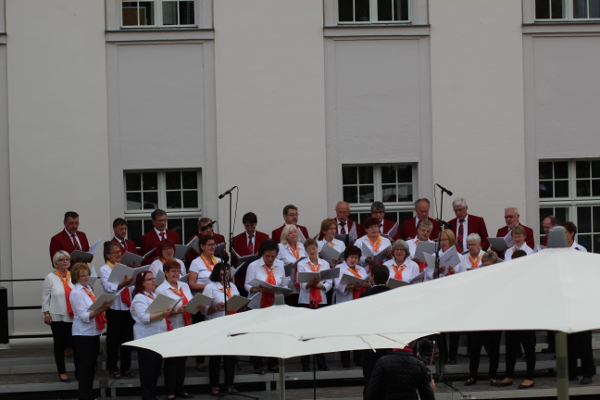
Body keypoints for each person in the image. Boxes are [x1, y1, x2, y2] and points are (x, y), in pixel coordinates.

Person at [155, 260, 198, 399]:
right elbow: (160, 311)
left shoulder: (184, 286)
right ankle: (170, 391)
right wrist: (177, 310)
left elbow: (190, 302)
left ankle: (181, 389)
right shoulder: (161, 289)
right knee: (171, 361)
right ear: (166, 273)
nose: (176, 274)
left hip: (185, 326)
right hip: (170, 327)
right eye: (173, 271)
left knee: (182, 360)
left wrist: (197, 306)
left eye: (178, 271)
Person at [70, 262, 113, 400]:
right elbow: (84, 316)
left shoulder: (87, 288)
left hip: (92, 332)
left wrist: (102, 305)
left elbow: (92, 308)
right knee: (85, 367)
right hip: (83, 333)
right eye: (82, 275)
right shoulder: (76, 292)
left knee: (91, 367)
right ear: (76, 277)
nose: (86, 277)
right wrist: (102, 309)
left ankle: (89, 394)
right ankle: (85, 395)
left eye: (87, 274)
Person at [245, 240, 288, 374]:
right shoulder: (253, 266)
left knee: (273, 334)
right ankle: (258, 364)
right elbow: (246, 285)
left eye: (273, 256)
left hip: (274, 305)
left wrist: (280, 289)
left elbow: (284, 284)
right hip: (257, 305)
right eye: (267, 256)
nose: (270, 259)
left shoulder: (279, 265)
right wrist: (256, 289)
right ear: (262, 254)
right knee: (257, 335)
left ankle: (273, 363)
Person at [130, 271, 172, 400]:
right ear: (142, 283)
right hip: (146, 338)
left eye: (153, 278)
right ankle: (148, 397)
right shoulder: (139, 298)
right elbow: (144, 318)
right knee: (148, 371)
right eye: (149, 279)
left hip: (158, 337)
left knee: (155, 369)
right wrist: (161, 314)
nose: (153, 281)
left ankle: (151, 395)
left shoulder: (154, 295)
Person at [498, 249, 536, 389]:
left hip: (526, 317)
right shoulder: (510, 276)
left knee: (529, 348)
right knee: (510, 348)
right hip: (511, 317)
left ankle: (530, 377)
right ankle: (509, 375)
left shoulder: (531, 276)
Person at [465, 250, 502, 386]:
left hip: (493, 317)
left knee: (493, 349)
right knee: (474, 347)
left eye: (489, 265)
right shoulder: (476, 276)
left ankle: (493, 375)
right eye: (484, 265)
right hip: (477, 317)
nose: (486, 268)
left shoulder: (500, 278)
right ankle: (472, 375)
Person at [426, 229, 464, 364]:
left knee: (454, 328)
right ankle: (443, 355)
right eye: (441, 240)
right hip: (439, 295)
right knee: (440, 328)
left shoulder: (460, 256)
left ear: (451, 240)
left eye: (445, 240)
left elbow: (465, 278)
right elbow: (428, 276)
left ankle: (452, 356)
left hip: (453, 295)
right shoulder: (434, 256)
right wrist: (438, 271)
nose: (443, 242)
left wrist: (454, 273)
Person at [99, 241, 135, 380]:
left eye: (119, 251)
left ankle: (126, 368)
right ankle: (112, 368)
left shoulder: (124, 267)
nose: (119, 254)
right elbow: (109, 287)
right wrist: (123, 284)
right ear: (108, 255)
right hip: (114, 308)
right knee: (113, 341)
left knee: (127, 339)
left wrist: (133, 279)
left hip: (126, 308)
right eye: (115, 252)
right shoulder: (105, 269)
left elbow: (131, 289)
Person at [203, 263, 241, 395]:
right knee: (216, 357)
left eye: (228, 271)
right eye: (223, 271)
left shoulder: (233, 286)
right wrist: (215, 307)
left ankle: (230, 384)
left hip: (231, 324)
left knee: (230, 357)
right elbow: (203, 309)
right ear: (217, 273)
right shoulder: (210, 287)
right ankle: (214, 385)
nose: (226, 273)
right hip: (216, 325)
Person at [188, 234, 223, 371]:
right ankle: (200, 359)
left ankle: (217, 356)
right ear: (202, 246)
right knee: (200, 330)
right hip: (201, 299)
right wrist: (210, 287)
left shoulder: (219, 261)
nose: (213, 247)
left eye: (214, 244)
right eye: (210, 244)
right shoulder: (196, 262)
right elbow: (191, 283)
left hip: (217, 299)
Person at [42, 251, 78, 383]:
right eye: (61, 259)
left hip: (73, 316)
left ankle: (78, 371)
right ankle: (62, 372)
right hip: (57, 316)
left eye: (67, 259)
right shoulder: (50, 277)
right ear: (56, 262)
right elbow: (45, 298)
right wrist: (46, 313)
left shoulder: (73, 276)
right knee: (59, 345)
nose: (65, 261)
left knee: (75, 344)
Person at [297, 239, 332, 371]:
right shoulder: (302, 264)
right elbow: (301, 284)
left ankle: (321, 362)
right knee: (305, 333)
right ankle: (305, 364)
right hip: (306, 300)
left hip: (321, 299)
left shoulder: (325, 263)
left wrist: (321, 285)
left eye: (314, 249)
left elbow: (330, 282)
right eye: (309, 250)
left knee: (319, 331)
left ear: (318, 249)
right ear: (306, 251)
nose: (312, 252)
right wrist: (310, 284)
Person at [334, 245, 370, 368]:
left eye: (355, 257)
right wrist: (354, 286)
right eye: (351, 257)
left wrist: (365, 284)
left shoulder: (361, 269)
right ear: (346, 257)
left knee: (359, 332)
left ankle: (358, 358)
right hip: (345, 303)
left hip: (360, 304)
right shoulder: (339, 268)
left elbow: (366, 283)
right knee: (345, 332)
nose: (353, 260)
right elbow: (338, 286)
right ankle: (345, 360)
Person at [360, 264, 391, 397]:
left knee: (370, 379)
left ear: (372, 277)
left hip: (370, 343)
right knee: (388, 380)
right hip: (389, 342)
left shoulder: (364, 296)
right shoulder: (394, 295)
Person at [365, 345, 435, 400]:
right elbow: (427, 396)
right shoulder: (419, 365)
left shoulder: (382, 362)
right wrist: (431, 389)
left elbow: (371, 393)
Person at [231, 212, 269, 296]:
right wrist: (238, 263)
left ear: (256, 224)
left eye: (252, 226)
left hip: (258, 275)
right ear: (244, 225)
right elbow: (233, 259)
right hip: (242, 277)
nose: (250, 229)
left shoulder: (264, 237)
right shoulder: (237, 239)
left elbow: (268, 255)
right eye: (247, 226)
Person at [278, 224, 307, 307]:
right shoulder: (280, 247)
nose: (294, 234)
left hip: (301, 282)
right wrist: (286, 265)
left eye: (295, 232)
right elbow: (277, 264)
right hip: (288, 282)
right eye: (291, 233)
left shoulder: (302, 246)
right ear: (286, 236)